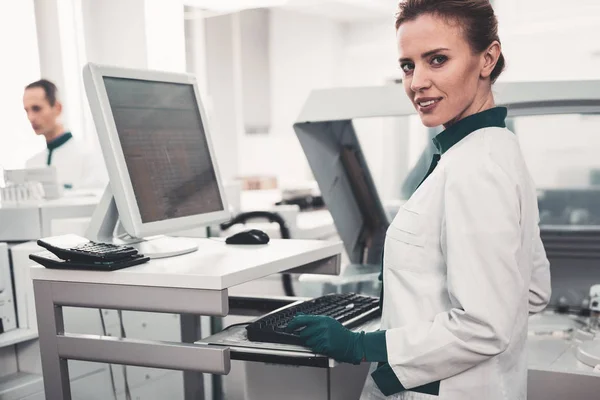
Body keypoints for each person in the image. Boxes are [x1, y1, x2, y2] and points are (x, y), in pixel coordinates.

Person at [286, 1, 552, 399]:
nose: (417, 82)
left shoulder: (476, 168)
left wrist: (362, 346)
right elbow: (534, 290)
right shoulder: (496, 148)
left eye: (437, 60)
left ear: (487, 59)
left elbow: (485, 326)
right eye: (408, 66)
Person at [23, 79, 107, 190]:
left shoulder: (87, 156)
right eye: (26, 110)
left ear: (57, 108)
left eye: (36, 108)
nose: (31, 117)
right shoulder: (31, 165)